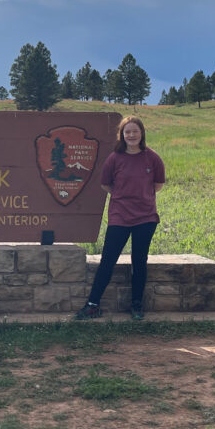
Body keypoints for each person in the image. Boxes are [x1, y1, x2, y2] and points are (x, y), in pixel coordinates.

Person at [75, 115, 165, 321]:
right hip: (119, 216)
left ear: (141, 133)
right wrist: (122, 195)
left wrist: (141, 196)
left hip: (146, 217)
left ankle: (136, 305)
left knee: (139, 261)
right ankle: (92, 305)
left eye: (135, 131)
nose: (131, 135)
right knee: (108, 260)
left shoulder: (152, 158)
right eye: (127, 132)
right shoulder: (114, 159)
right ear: (122, 135)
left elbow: (158, 185)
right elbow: (106, 185)